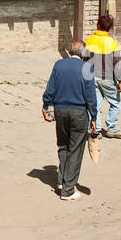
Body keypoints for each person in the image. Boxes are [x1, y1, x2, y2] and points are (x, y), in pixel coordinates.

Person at [42, 40, 98, 201]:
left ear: (70, 51)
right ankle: (68, 189)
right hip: (79, 112)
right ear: (83, 53)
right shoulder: (86, 68)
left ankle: (61, 180)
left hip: (60, 111)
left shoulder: (59, 65)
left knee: (63, 145)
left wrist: (45, 107)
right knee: (76, 149)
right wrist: (94, 117)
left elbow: (50, 89)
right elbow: (90, 96)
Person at [82, 15, 121, 138]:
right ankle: (112, 128)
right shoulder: (113, 43)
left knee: (95, 103)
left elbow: (84, 58)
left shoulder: (90, 40)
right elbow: (117, 64)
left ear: (97, 25)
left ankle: (95, 129)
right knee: (115, 103)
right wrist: (120, 80)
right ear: (110, 28)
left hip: (92, 77)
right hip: (107, 78)